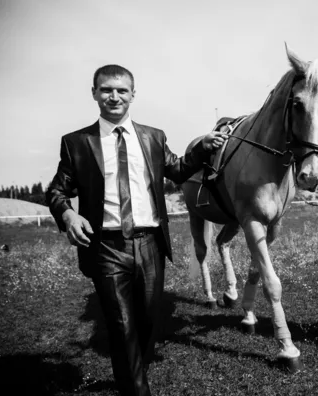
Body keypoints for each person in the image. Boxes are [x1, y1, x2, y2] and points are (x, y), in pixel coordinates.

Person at [45, 64, 228, 396]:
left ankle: (131, 374)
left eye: (121, 90)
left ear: (133, 95)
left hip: (150, 245)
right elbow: (57, 192)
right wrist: (69, 216)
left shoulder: (153, 137)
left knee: (146, 324)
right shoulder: (77, 143)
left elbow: (179, 169)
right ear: (95, 94)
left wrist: (202, 146)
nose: (114, 96)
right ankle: (136, 389)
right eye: (106, 90)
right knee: (122, 326)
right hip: (105, 246)